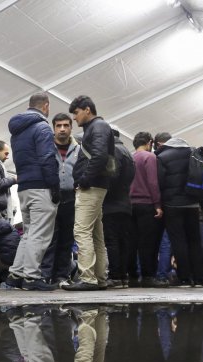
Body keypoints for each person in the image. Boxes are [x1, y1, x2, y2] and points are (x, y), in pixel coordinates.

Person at [5, 92, 60, 291]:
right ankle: (31, 277)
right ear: (45, 106)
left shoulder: (17, 131)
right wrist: (54, 186)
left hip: (24, 187)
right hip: (40, 186)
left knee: (28, 233)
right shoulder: (42, 127)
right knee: (39, 233)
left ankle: (16, 274)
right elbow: (47, 158)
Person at [62, 95, 113, 291]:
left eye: (76, 113)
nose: (74, 118)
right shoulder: (99, 127)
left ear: (87, 110)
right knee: (95, 234)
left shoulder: (97, 127)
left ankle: (88, 278)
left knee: (82, 231)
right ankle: (99, 277)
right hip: (98, 186)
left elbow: (99, 156)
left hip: (90, 187)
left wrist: (84, 180)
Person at [157, 134, 203, 287]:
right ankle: (199, 278)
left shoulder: (163, 156)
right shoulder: (195, 154)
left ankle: (184, 277)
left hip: (172, 205)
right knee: (195, 241)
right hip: (192, 204)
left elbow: (160, 181)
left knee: (179, 241)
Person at [40, 113, 79, 285]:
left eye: (65, 125)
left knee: (67, 238)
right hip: (51, 196)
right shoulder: (47, 147)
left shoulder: (79, 149)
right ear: (53, 128)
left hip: (71, 197)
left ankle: (62, 276)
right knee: (49, 238)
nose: (62, 129)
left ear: (71, 127)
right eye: (58, 126)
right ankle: (46, 275)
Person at [128, 132, 167, 287]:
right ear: (150, 142)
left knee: (132, 242)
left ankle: (131, 275)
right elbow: (152, 182)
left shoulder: (130, 157)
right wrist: (157, 204)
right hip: (146, 204)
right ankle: (147, 276)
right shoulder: (149, 157)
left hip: (130, 205)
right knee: (147, 242)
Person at [101, 130, 136, 288]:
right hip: (125, 203)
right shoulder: (127, 151)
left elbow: (112, 176)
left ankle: (115, 276)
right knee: (123, 241)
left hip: (111, 203)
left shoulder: (113, 150)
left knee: (112, 240)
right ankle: (122, 276)